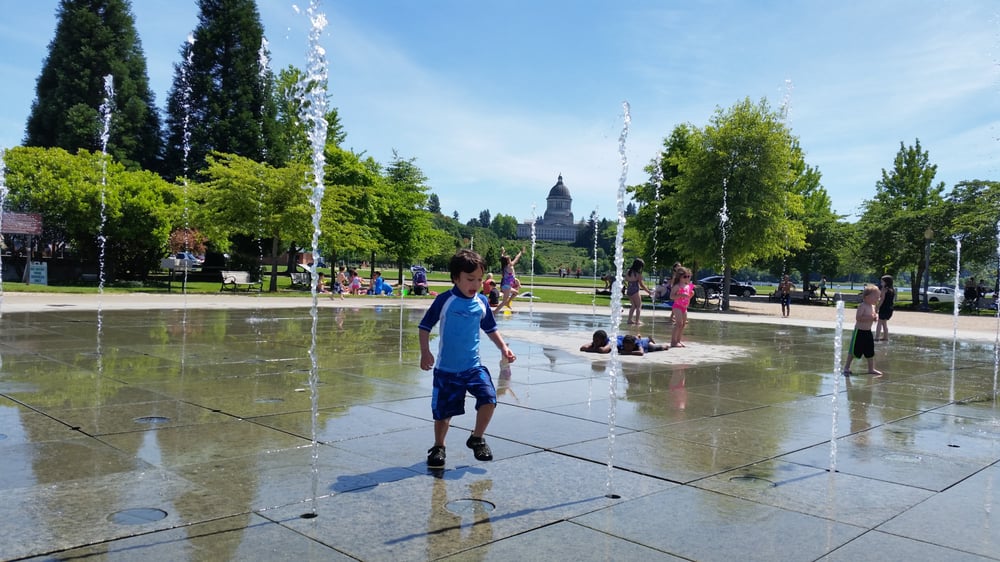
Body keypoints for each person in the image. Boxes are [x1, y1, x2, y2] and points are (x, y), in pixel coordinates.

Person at [419, 249, 516, 468]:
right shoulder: (445, 300)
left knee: (489, 398)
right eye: (470, 279)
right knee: (443, 413)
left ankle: (477, 438)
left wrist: (503, 348)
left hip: (473, 367)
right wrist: (425, 351)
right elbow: (425, 326)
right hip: (446, 369)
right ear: (455, 278)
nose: (476, 284)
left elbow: (490, 328)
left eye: (480, 279)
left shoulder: (481, 301)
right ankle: (438, 447)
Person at [843, 283, 883, 376]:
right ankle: (847, 367)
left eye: (879, 297)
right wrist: (870, 318)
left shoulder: (872, 306)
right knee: (854, 350)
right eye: (876, 297)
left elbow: (873, 315)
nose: (878, 299)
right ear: (867, 297)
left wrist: (876, 317)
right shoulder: (862, 306)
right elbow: (858, 318)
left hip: (868, 332)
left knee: (870, 351)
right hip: (859, 332)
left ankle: (871, 368)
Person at [579, 330, 667, 355]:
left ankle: (648, 339)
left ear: (603, 340)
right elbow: (582, 348)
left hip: (640, 344)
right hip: (624, 340)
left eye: (597, 341)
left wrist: (591, 349)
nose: (595, 342)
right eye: (594, 340)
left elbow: (603, 350)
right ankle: (638, 336)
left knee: (657, 348)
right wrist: (592, 344)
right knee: (632, 339)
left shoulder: (611, 342)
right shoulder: (597, 341)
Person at [494, 247, 524, 315]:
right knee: (503, 301)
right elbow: (516, 258)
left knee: (516, 292)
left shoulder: (505, 265)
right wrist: (520, 252)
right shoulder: (509, 265)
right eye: (510, 259)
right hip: (506, 286)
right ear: (508, 261)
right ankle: (494, 312)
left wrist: (502, 252)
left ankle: (508, 303)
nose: (511, 260)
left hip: (507, 286)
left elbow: (502, 258)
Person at [669, 266, 694, 347]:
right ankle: (673, 341)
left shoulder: (688, 286)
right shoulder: (677, 286)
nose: (687, 278)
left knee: (683, 325)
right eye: (685, 276)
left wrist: (691, 295)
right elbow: (672, 297)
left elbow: (688, 297)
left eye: (688, 276)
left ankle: (678, 340)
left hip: (684, 307)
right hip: (677, 306)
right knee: (679, 323)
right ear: (680, 277)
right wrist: (680, 295)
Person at [625, 258, 652, 325]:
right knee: (639, 306)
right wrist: (649, 292)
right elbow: (641, 285)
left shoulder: (628, 271)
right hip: (635, 290)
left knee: (633, 305)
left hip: (629, 290)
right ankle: (637, 321)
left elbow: (626, 279)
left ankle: (629, 320)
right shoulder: (638, 274)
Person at [875, 274, 895, 341]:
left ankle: (877, 337)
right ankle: (885, 337)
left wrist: (877, 307)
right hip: (890, 308)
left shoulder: (884, 289)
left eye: (882, 282)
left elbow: (882, 299)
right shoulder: (892, 290)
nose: (881, 283)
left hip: (884, 308)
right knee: (884, 323)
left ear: (886, 282)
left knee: (879, 323)